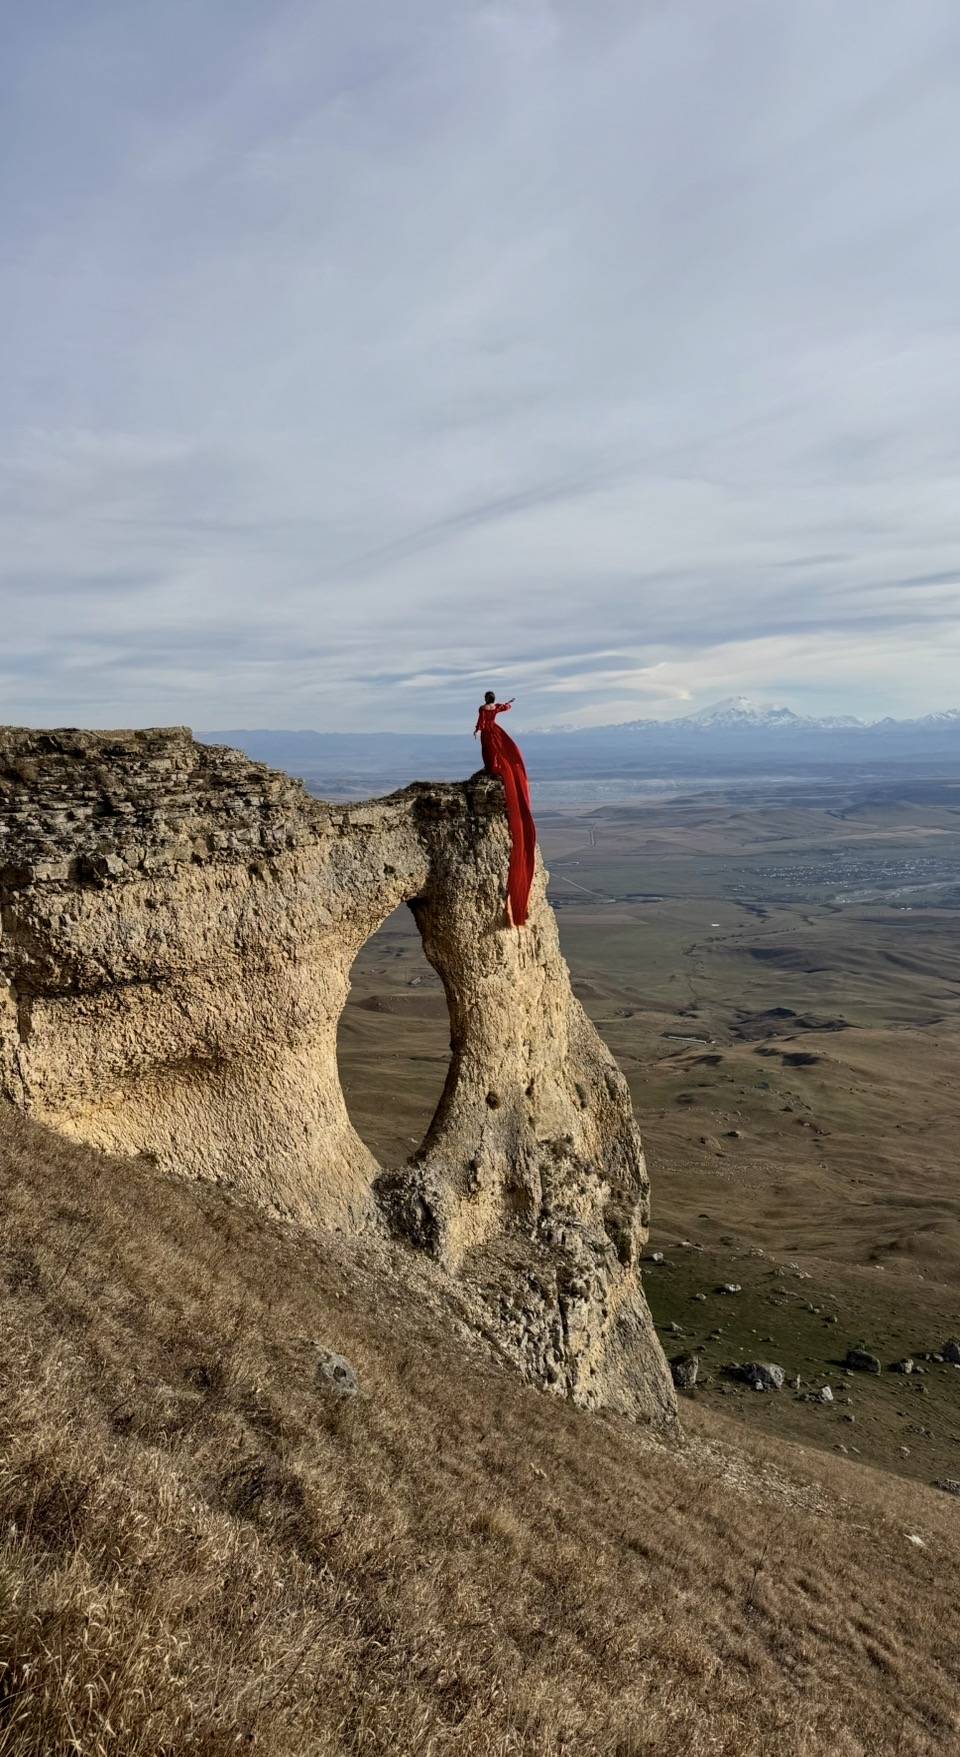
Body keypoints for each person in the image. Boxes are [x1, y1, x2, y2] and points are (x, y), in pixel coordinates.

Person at [474, 691, 537, 927]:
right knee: (499, 749)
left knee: (489, 750)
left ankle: (492, 766)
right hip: (493, 732)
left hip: (487, 733)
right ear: (493, 699)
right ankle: (496, 765)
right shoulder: (493, 708)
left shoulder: (483, 709)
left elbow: (483, 720)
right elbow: (501, 710)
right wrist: (508, 705)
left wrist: (478, 728)